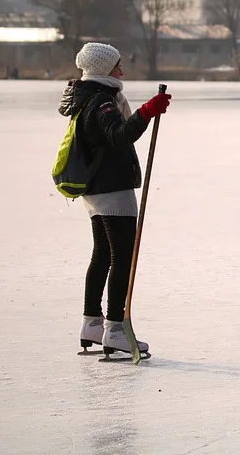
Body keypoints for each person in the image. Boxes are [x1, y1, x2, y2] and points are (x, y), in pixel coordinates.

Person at [60, 43, 171, 355]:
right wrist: (147, 111)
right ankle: (114, 329)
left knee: (103, 255)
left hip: (96, 188)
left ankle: (91, 323)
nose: (122, 69)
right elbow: (120, 135)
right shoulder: (102, 101)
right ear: (104, 69)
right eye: (117, 65)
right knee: (122, 257)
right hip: (112, 188)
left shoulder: (86, 97)